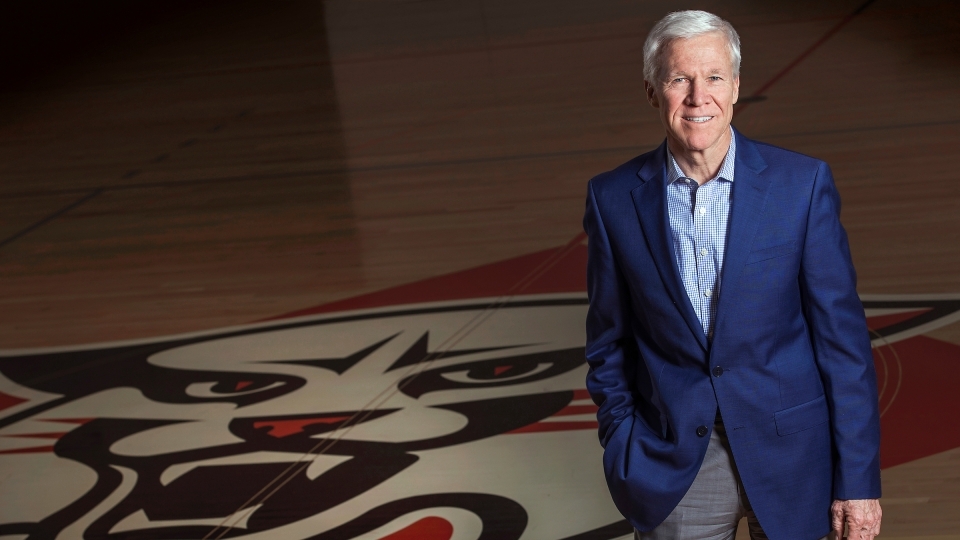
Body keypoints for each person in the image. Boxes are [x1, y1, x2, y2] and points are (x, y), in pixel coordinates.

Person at [582, 10, 882, 540]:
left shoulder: (801, 186)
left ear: (737, 87)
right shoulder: (612, 199)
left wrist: (858, 480)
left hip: (795, 460)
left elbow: (844, 347)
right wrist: (622, 438)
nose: (700, 96)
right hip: (677, 466)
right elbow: (608, 341)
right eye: (680, 79)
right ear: (653, 91)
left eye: (715, 77)